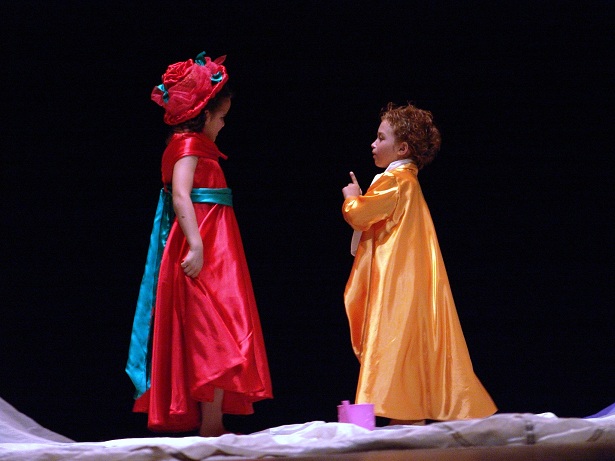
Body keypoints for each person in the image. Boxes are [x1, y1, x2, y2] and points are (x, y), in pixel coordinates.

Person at [126, 51, 272, 436]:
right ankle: (211, 422)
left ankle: (213, 421)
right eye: (221, 118)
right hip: (204, 240)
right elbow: (180, 194)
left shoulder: (197, 146)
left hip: (218, 242)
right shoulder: (188, 145)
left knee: (223, 325)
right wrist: (195, 245)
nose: (223, 124)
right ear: (204, 115)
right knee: (211, 330)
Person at [341, 102, 496, 425]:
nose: (373, 143)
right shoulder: (407, 182)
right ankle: (408, 415)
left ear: (402, 148)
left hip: (397, 282)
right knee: (410, 344)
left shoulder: (395, 181)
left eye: (381, 138)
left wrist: (352, 197)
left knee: (395, 342)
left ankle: (405, 416)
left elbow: (360, 215)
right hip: (409, 280)